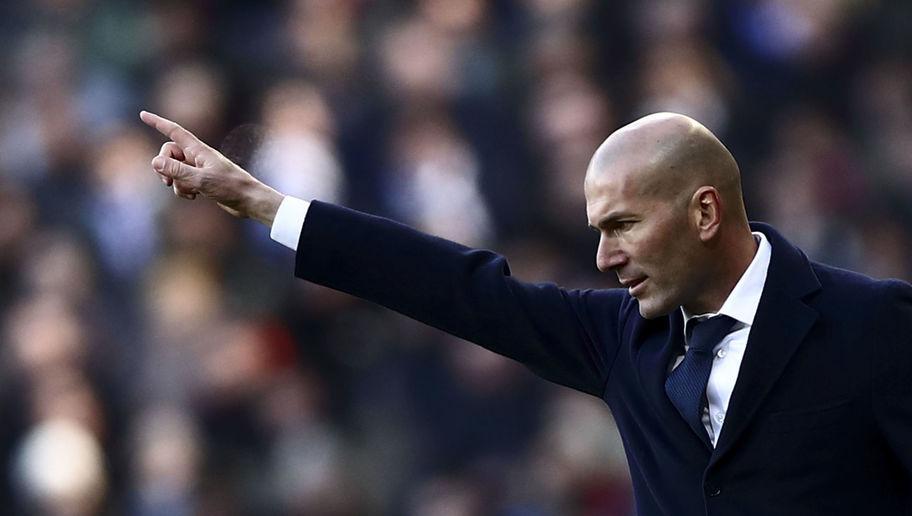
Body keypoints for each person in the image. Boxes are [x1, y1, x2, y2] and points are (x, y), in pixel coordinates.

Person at [140, 110, 912, 515]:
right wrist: (263, 203)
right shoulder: (623, 342)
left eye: (623, 226)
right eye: (597, 232)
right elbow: (455, 287)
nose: (605, 259)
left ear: (705, 211)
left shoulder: (873, 327)